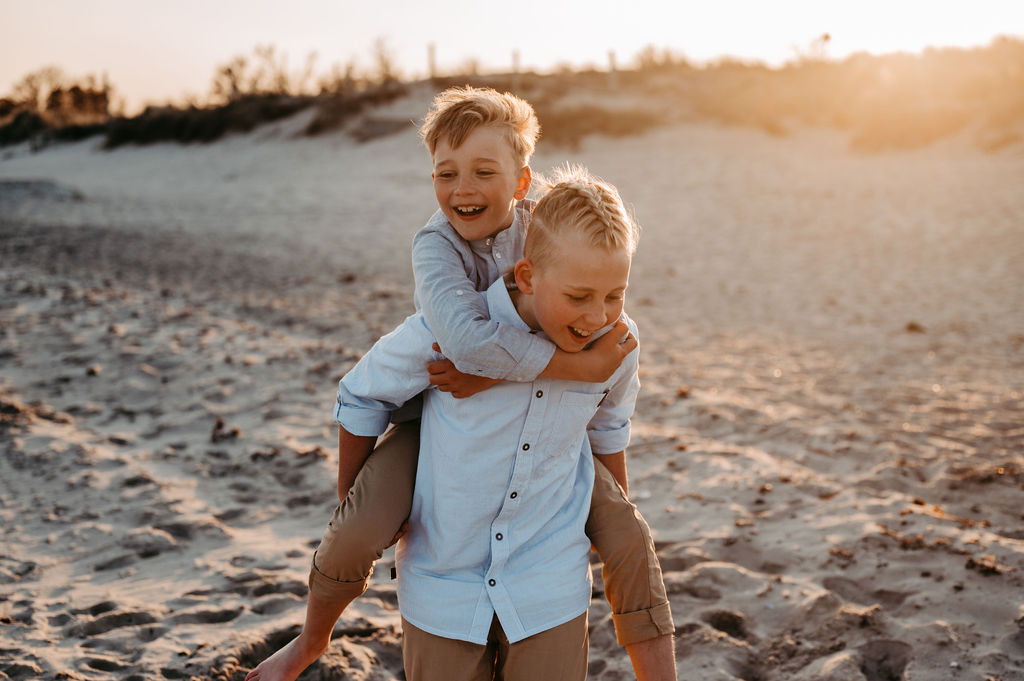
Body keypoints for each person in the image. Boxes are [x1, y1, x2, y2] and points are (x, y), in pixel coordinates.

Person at [246, 88, 674, 681]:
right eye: (446, 173)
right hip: (429, 411)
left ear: (523, 182)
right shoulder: (436, 247)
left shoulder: (548, 236)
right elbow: (465, 347)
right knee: (356, 528)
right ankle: (310, 641)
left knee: (629, 533)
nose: (464, 188)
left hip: (548, 459)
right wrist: (575, 368)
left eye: (483, 172)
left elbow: (589, 236)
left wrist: (604, 504)